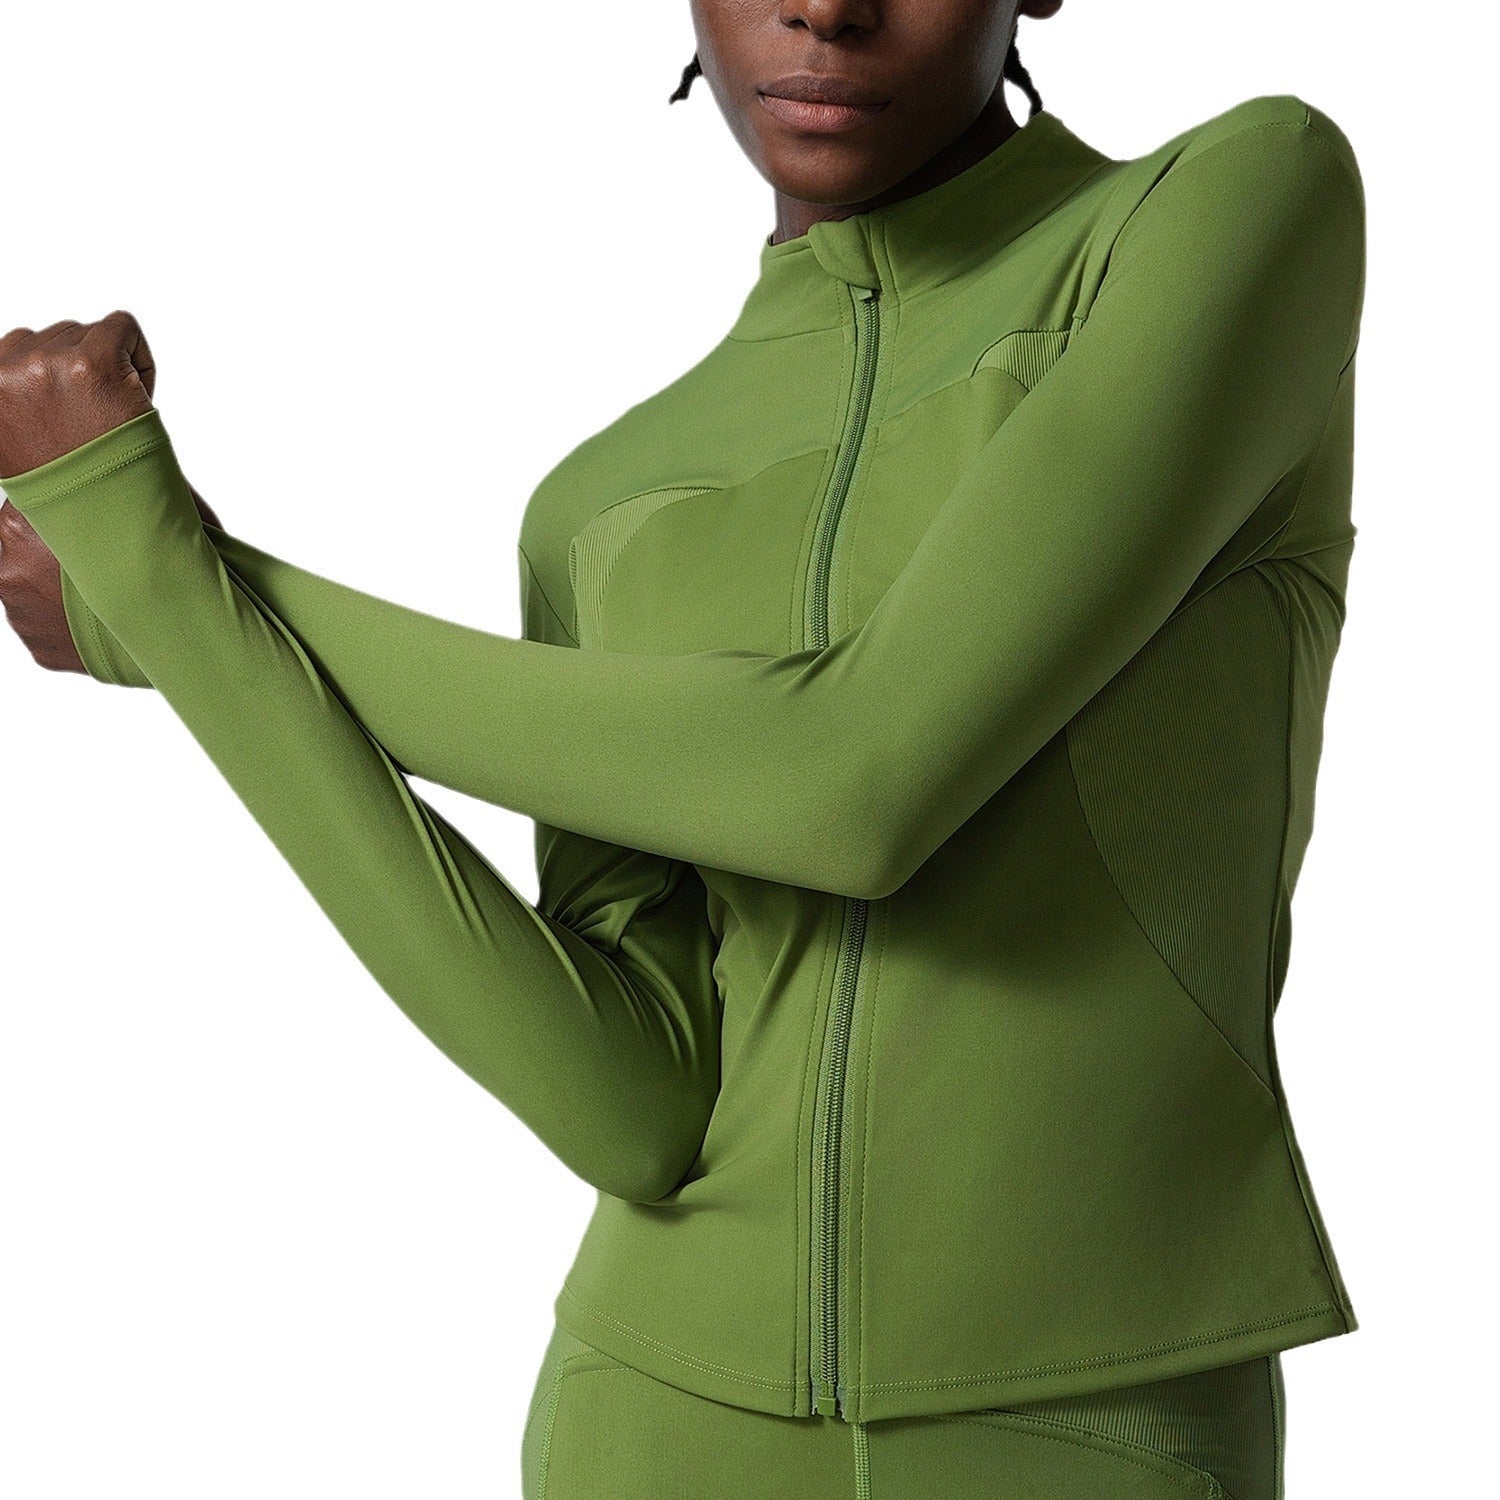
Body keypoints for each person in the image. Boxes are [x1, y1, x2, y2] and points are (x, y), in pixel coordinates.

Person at [0, 2, 1367, 1495]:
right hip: (644, 1417)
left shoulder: (1236, 207)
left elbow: (856, 782)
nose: (824, 7)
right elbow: (629, 1109)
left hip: (1090, 1419)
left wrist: (176, 602)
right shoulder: (603, 505)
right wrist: (180, 612)